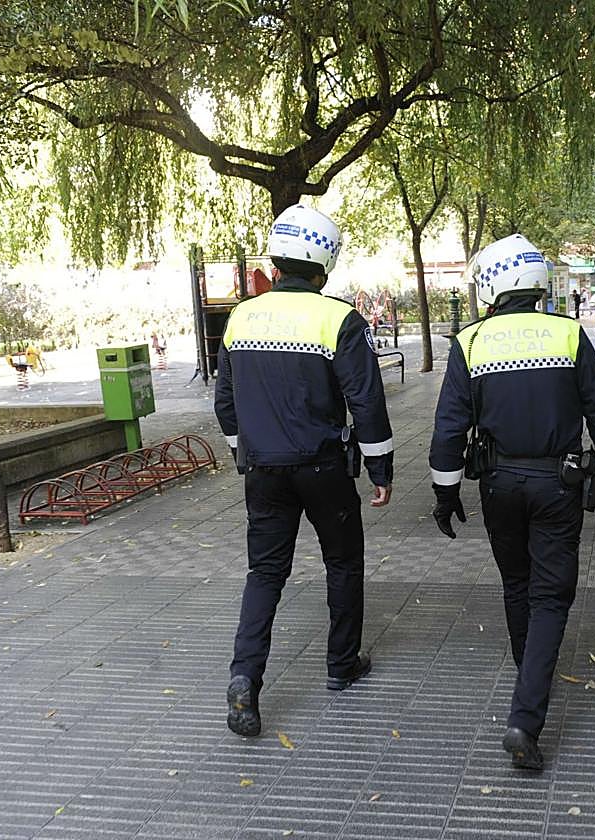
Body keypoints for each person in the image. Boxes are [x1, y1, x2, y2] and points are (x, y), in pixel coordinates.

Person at [428, 233, 595, 772]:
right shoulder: (567, 335)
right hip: (558, 483)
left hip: (497, 485)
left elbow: (449, 428)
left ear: (492, 286)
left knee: (517, 583)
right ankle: (525, 717)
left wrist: (445, 491)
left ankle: (527, 676)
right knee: (551, 596)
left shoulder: (470, 342)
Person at [215, 204, 394, 738]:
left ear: (276, 259)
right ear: (325, 266)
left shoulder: (241, 317)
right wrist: (380, 467)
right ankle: (342, 665)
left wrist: (242, 449)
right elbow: (366, 401)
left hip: (262, 470)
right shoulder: (338, 319)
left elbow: (225, 401)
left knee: (265, 573)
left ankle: (245, 676)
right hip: (323, 469)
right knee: (343, 561)